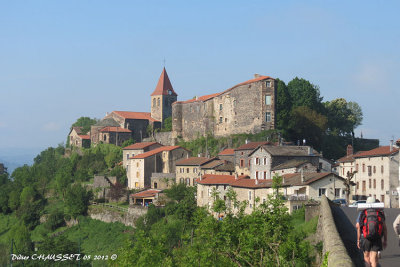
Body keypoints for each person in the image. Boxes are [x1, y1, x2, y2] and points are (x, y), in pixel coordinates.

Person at [357, 197, 387, 267]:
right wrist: (385, 240)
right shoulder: (379, 213)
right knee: (374, 258)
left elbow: (358, 227)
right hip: (377, 237)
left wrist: (358, 240)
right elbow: (384, 228)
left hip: (365, 237)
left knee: (366, 257)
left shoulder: (363, 212)